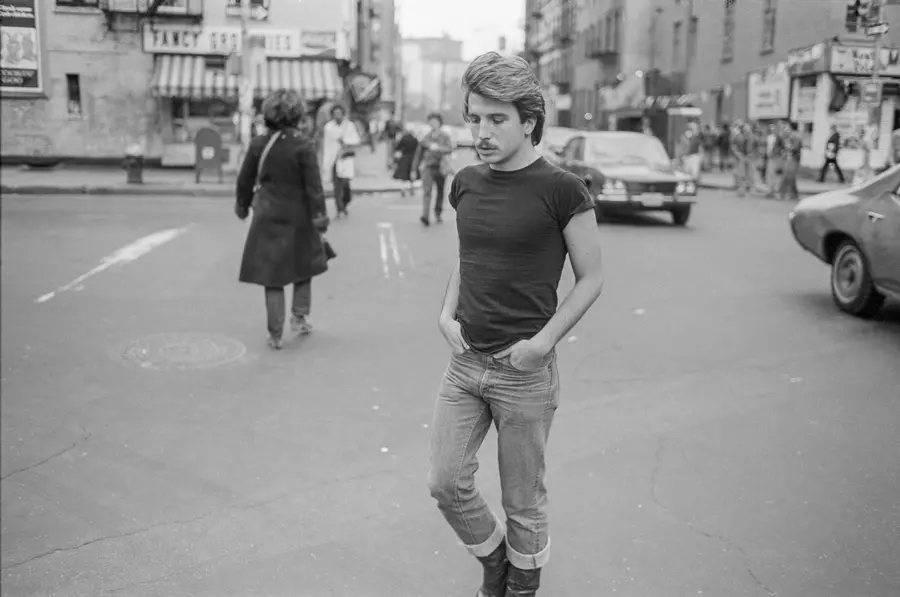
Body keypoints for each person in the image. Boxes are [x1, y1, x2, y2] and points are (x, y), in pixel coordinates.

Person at [428, 51, 604, 597]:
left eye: (496, 119)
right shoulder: (465, 183)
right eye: (474, 117)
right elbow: (470, 252)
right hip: (465, 364)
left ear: (528, 121)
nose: (481, 131)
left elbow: (592, 277)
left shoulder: (562, 189)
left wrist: (542, 343)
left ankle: (520, 585)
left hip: (524, 372)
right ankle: (496, 560)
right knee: (445, 482)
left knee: (522, 501)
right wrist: (445, 312)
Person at [235, 89, 331, 350]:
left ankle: (275, 334)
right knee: (303, 268)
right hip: (299, 216)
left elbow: (244, 180)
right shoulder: (303, 145)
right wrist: (320, 218)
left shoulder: (258, 144)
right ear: (297, 114)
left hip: (267, 216)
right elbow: (314, 187)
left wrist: (242, 206)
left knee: (272, 276)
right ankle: (299, 317)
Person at [411, 112, 454, 226]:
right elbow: (418, 154)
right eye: (431, 121)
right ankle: (425, 216)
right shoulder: (425, 137)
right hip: (428, 167)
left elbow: (449, 149)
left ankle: (438, 212)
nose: (433, 123)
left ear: (440, 122)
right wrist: (413, 170)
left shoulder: (445, 136)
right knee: (427, 191)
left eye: (435, 121)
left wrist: (438, 148)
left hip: (441, 167)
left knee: (440, 191)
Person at [321, 104, 361, 219]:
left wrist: (345, 140)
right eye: (335, 113)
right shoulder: (328, 127)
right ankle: (339, 208)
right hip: (333, 159)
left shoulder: (349, 126)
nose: (337, 115)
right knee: (337, 186)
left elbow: (356, 140)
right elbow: (327, 144)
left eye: (339, 113)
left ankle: (345, 202)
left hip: (345, 158)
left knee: (345, 184)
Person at [392, 123, 420, 197]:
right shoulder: (415, 139)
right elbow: (418, 150)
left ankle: (403, 189)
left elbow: (397, 148)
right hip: (413, 158)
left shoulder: (404, 139)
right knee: (411, 174)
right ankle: (411, 188)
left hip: (404, 158)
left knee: (403, 176)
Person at [778, 122, 802, 201]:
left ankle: (785, 194)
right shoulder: (791, 136)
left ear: (791, 127)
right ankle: (792, 194)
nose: (786, 129)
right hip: (790, 159)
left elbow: (795, 148)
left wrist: (788, 147)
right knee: (789, 177)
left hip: (793, 159)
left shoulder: (796, 136)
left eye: (787, 127)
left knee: (789, 176)